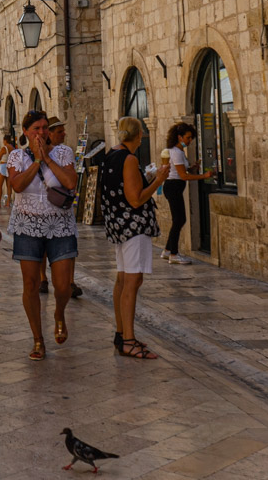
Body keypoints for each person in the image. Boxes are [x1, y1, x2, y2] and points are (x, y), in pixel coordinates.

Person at [7, 110, 78, 361]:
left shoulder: (63, 153)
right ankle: (38, 339)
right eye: (36, 128)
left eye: (45, 128)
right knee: (31, 284)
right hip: (28, 226)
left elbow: (70, 182)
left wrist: (47, 159)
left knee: (62, 284)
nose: (41, 132)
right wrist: (36, 161)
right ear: (25, 131)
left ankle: (59, 313)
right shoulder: (16, 156)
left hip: (59, 225)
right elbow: (17, 185)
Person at [102, 117, 169, 359]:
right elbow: (135, 199)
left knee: (122, 280)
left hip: (119, 226)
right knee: (132, 281)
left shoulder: (111, 155)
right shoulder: (128, 159)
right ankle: (128, 339)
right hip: (133, 226)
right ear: (137, 135)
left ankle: (122, 333)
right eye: (141, 133)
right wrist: (158, 181)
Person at [40, 117, 83, 299]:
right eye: (59, 131)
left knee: (68, 244)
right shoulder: (38, 152)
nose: (64, 134)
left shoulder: (65, 151)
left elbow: (71, 178)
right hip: (45, 204)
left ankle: (70, 281)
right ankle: (43, 278)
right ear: (49, 134)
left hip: (61, 205)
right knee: (42, 243)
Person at [162, 122, 213, 264]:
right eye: (188, 138)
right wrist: (204, 176)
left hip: (175, 187)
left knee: (178, 220)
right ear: (179, 137)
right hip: (173, 187)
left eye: (191, 138)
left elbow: (184, 172)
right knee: (179, 220)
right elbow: (183, 176)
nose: (190, 141)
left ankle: (167, 251)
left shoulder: (179, 152)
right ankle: (173, 254)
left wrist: (192, 168)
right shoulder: (177, 152)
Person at [0, 135, 16, 207]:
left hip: (3, 166)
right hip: (9, 167)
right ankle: (8, 203)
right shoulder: (12, 148)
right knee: (8, 186)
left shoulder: (4, 148)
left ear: (5, 140)